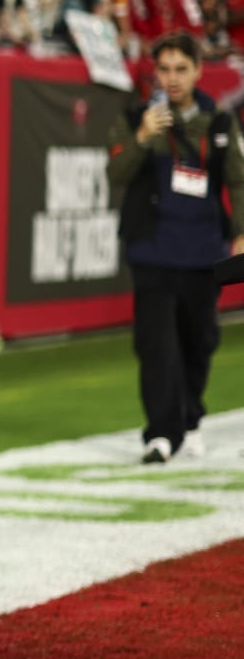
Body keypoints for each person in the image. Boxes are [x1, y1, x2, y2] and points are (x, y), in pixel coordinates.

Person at [107, 32, 244, 464]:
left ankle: (190, 416)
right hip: (150, 248)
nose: (172, 78)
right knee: (155, 344)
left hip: (206, 250)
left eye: (181, 69)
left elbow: (239, 182)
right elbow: (116, 172)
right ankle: (161, 433)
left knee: (200, 340)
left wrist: (241, 233)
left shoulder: (219, 123)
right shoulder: (136, 118)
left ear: (198, 70)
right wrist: (144, 136)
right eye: (164, 69)